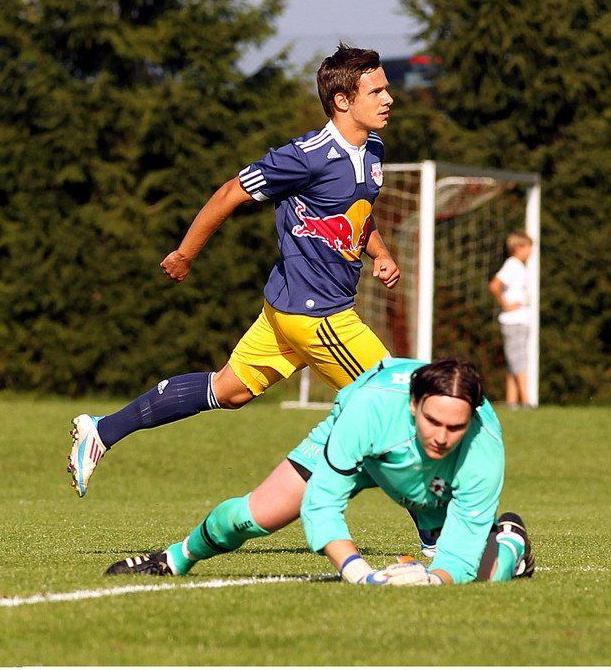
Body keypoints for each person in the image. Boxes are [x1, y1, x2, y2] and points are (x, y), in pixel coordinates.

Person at [68, 44, 400, 498]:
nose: (388, 99)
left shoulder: (373, 148)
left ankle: (102, 431)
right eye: (376, 91)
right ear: (342, 101)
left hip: (284, 307)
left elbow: (355, 212)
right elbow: (230, 193)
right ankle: (437, 533)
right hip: (319, 314)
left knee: (229, 391)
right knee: (393, 404)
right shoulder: (306, 156)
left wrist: (379, 252)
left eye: (386, 89)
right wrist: (185, 254)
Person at [104, 358, 535, 586]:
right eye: (432, 421)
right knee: (249, 517)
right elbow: (323, 502)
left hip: (426, 477)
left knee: (482, 575)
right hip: (356, 441)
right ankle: (174, 559)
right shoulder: (369, 410)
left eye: (455, 427)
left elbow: (458, 556)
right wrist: (359, 573)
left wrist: (433, 581)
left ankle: (511, 541)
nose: (442, 436)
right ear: (412, 405)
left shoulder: (483, 447)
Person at [488, 231, 534, 409]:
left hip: (520, 321)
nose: (531, 251)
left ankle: (512, 402)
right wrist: (506, 304)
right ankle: (526, 401)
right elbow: (495, 285)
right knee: (519, 360)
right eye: (528, 247)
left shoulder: (520, 267)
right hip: (514, 321)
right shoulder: (512, 264)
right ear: (518, 247)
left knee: (514, 361)